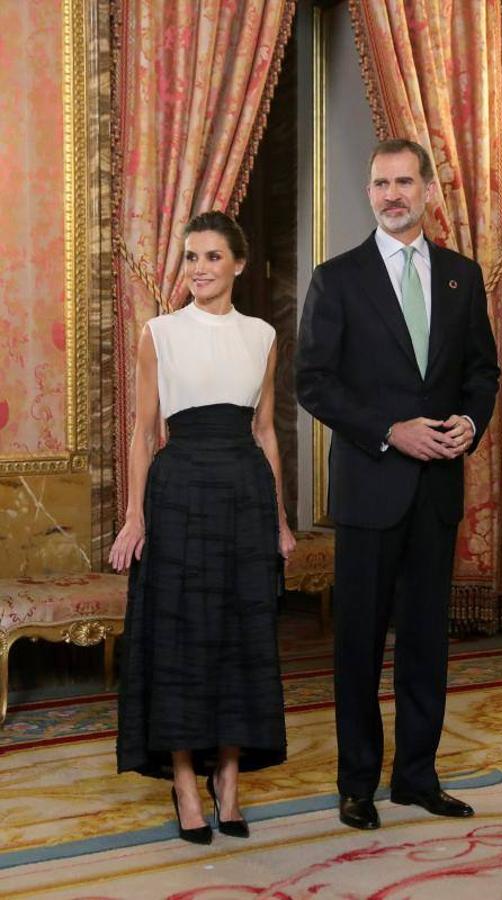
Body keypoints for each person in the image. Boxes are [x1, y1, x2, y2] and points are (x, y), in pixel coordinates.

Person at [296, 139, 500, 830]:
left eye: (404, 181)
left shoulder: (461, 276)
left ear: (427, 189)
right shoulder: (338, 277)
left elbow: (483, 372)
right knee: (358, 642)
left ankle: (417, 777)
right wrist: (390, 429)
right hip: (369, 488)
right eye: (380, 182)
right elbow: (313, 382)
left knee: (424, 641)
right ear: (369, 190)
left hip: (437, 489)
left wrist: (472, 421)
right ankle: (356, 783)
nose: (391, 194)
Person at [110, 210, 295, 844]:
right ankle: (185, 780)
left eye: (213, 257)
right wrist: (135, 516)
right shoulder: (158, 332)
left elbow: (266, 432)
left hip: (245, 493)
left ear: (238, 264)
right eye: (191, 257)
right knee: (180, 634)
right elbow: (142, 432)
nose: (199, 269)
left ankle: (230, 780)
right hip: (179, 488)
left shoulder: (264, 336)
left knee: (242, 632)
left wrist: (281, 522)